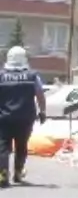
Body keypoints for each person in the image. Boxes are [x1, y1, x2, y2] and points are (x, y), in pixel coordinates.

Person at [0, 45, 46, 187]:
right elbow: (40, 95)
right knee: (21, 146)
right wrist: (42, 112)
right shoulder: (32, 76)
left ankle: (2, 174)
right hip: (25, 118)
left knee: (2, 146)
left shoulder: (1, 76)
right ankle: (18, 172)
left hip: (4, 118)